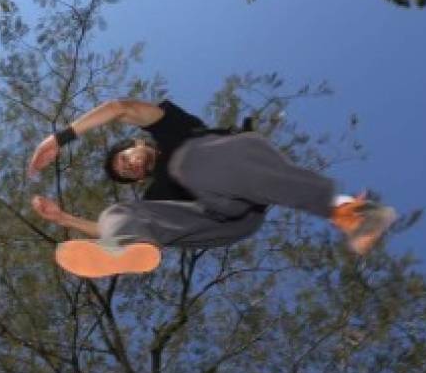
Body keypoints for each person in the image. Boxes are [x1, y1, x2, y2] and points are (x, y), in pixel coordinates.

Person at [27, 98, 398, 277]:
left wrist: (60, 138)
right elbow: (103, 229)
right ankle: (124, 247)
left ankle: (351, 212)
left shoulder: (171, 129)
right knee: (119, 214)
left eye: (127, 158)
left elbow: (121, 106)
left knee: (188, 161)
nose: (131, 167)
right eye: (128, 174)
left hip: (237, 164)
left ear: (136, 144)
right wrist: (65, 218)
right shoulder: (157, 193)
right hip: (226, 221)